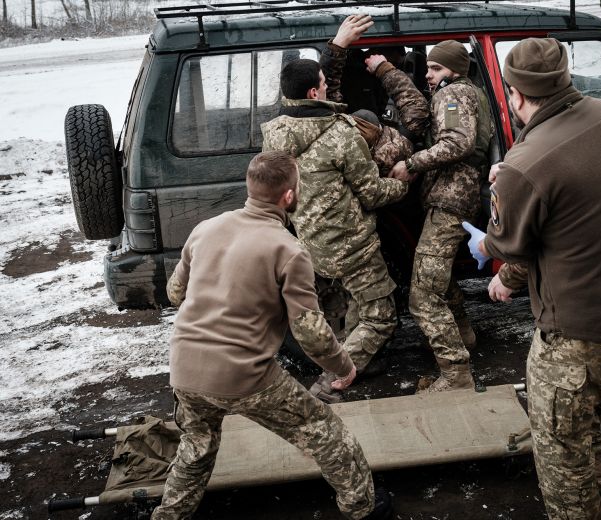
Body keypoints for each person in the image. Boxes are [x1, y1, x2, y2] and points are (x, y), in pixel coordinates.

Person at [463, 37, 601, 520]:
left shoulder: (528, 163)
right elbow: (575, 200)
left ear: (515, 95)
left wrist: (490, 227)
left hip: (581, 335)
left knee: (565, 457)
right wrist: (518, 177)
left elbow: (505, 244)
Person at [151, 151, 391, 520]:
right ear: (290, 197)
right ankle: (363, 508)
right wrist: (344, 366)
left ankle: (169, 515)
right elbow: (310, 332)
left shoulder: (205, 228)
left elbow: (175, 293)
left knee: (197, 445)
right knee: (325, 431)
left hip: (184, 369)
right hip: (244, 374)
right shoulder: (289, 250)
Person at [261, 59, 409, 403]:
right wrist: (403, 184)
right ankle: (334, 380)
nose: (327, 87)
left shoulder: (275, 133)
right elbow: (371, 192)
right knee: (381, 316)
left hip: (311, 244)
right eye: (325, 82)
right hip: (351, 246)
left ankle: (359, 360)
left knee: (357, 302)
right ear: (314, 92)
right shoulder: (341, 134)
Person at [387, 40, 494, 393]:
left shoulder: (453, 96)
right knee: (436, 275)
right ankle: (463, 334)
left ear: (454, 70)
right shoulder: (466, 92)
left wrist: (412, 163)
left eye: (436, 69)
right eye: (429, 68)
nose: (429, 76)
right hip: (452, 197)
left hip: (451, 198)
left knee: (423, 294)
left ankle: (456, 375)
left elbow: (457, 143)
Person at [320, 14, 430, 175]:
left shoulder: (337, 143)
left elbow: (326, 95)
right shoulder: (392, 151)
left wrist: (337, 46)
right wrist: (384, 69)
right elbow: (417, 111)